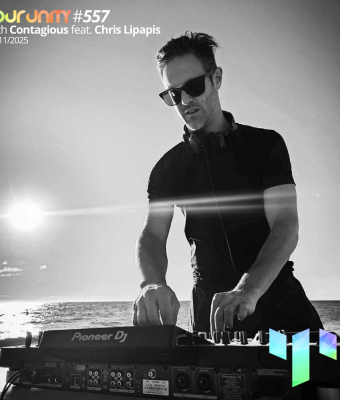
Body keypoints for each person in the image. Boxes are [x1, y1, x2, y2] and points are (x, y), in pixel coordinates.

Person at [132, 32, 323, 337]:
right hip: (212, 323)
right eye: (174, 94)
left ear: (216, 78)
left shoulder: (266, 145)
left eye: (194, 86)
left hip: (283, 310)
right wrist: (152, 283)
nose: (186, 101)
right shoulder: (167, 168)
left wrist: (248, 289)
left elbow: (286, 224)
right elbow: (152, 235)